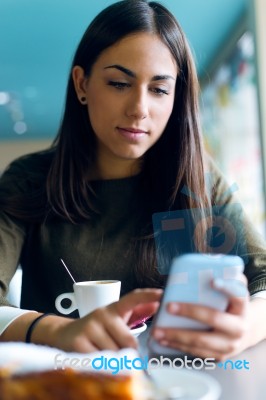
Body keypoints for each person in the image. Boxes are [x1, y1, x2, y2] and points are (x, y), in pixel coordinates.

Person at [0, 0, 266, 360]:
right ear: (82, 83)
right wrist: (58, 330)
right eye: (119, 83)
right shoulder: (29, 180)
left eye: (159, 89)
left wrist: (246, 327)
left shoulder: (196, 180)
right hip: (61, 383)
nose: (139, 108)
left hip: (176, 384)